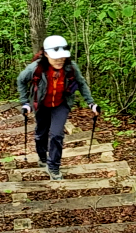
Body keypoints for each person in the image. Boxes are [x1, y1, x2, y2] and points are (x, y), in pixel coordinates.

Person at [16, 35, 99, 180]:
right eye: (56, 58)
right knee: (41, 133)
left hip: (61, 104)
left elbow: (81, 83)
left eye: (62, 57)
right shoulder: (35, 68)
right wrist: (25, 103)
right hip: (41, 104)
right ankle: (42, 157)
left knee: (56, 134)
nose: (60, 60)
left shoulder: (71, 67)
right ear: (46, 54)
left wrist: (91, 103)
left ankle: (53, 167)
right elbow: (21, 80)